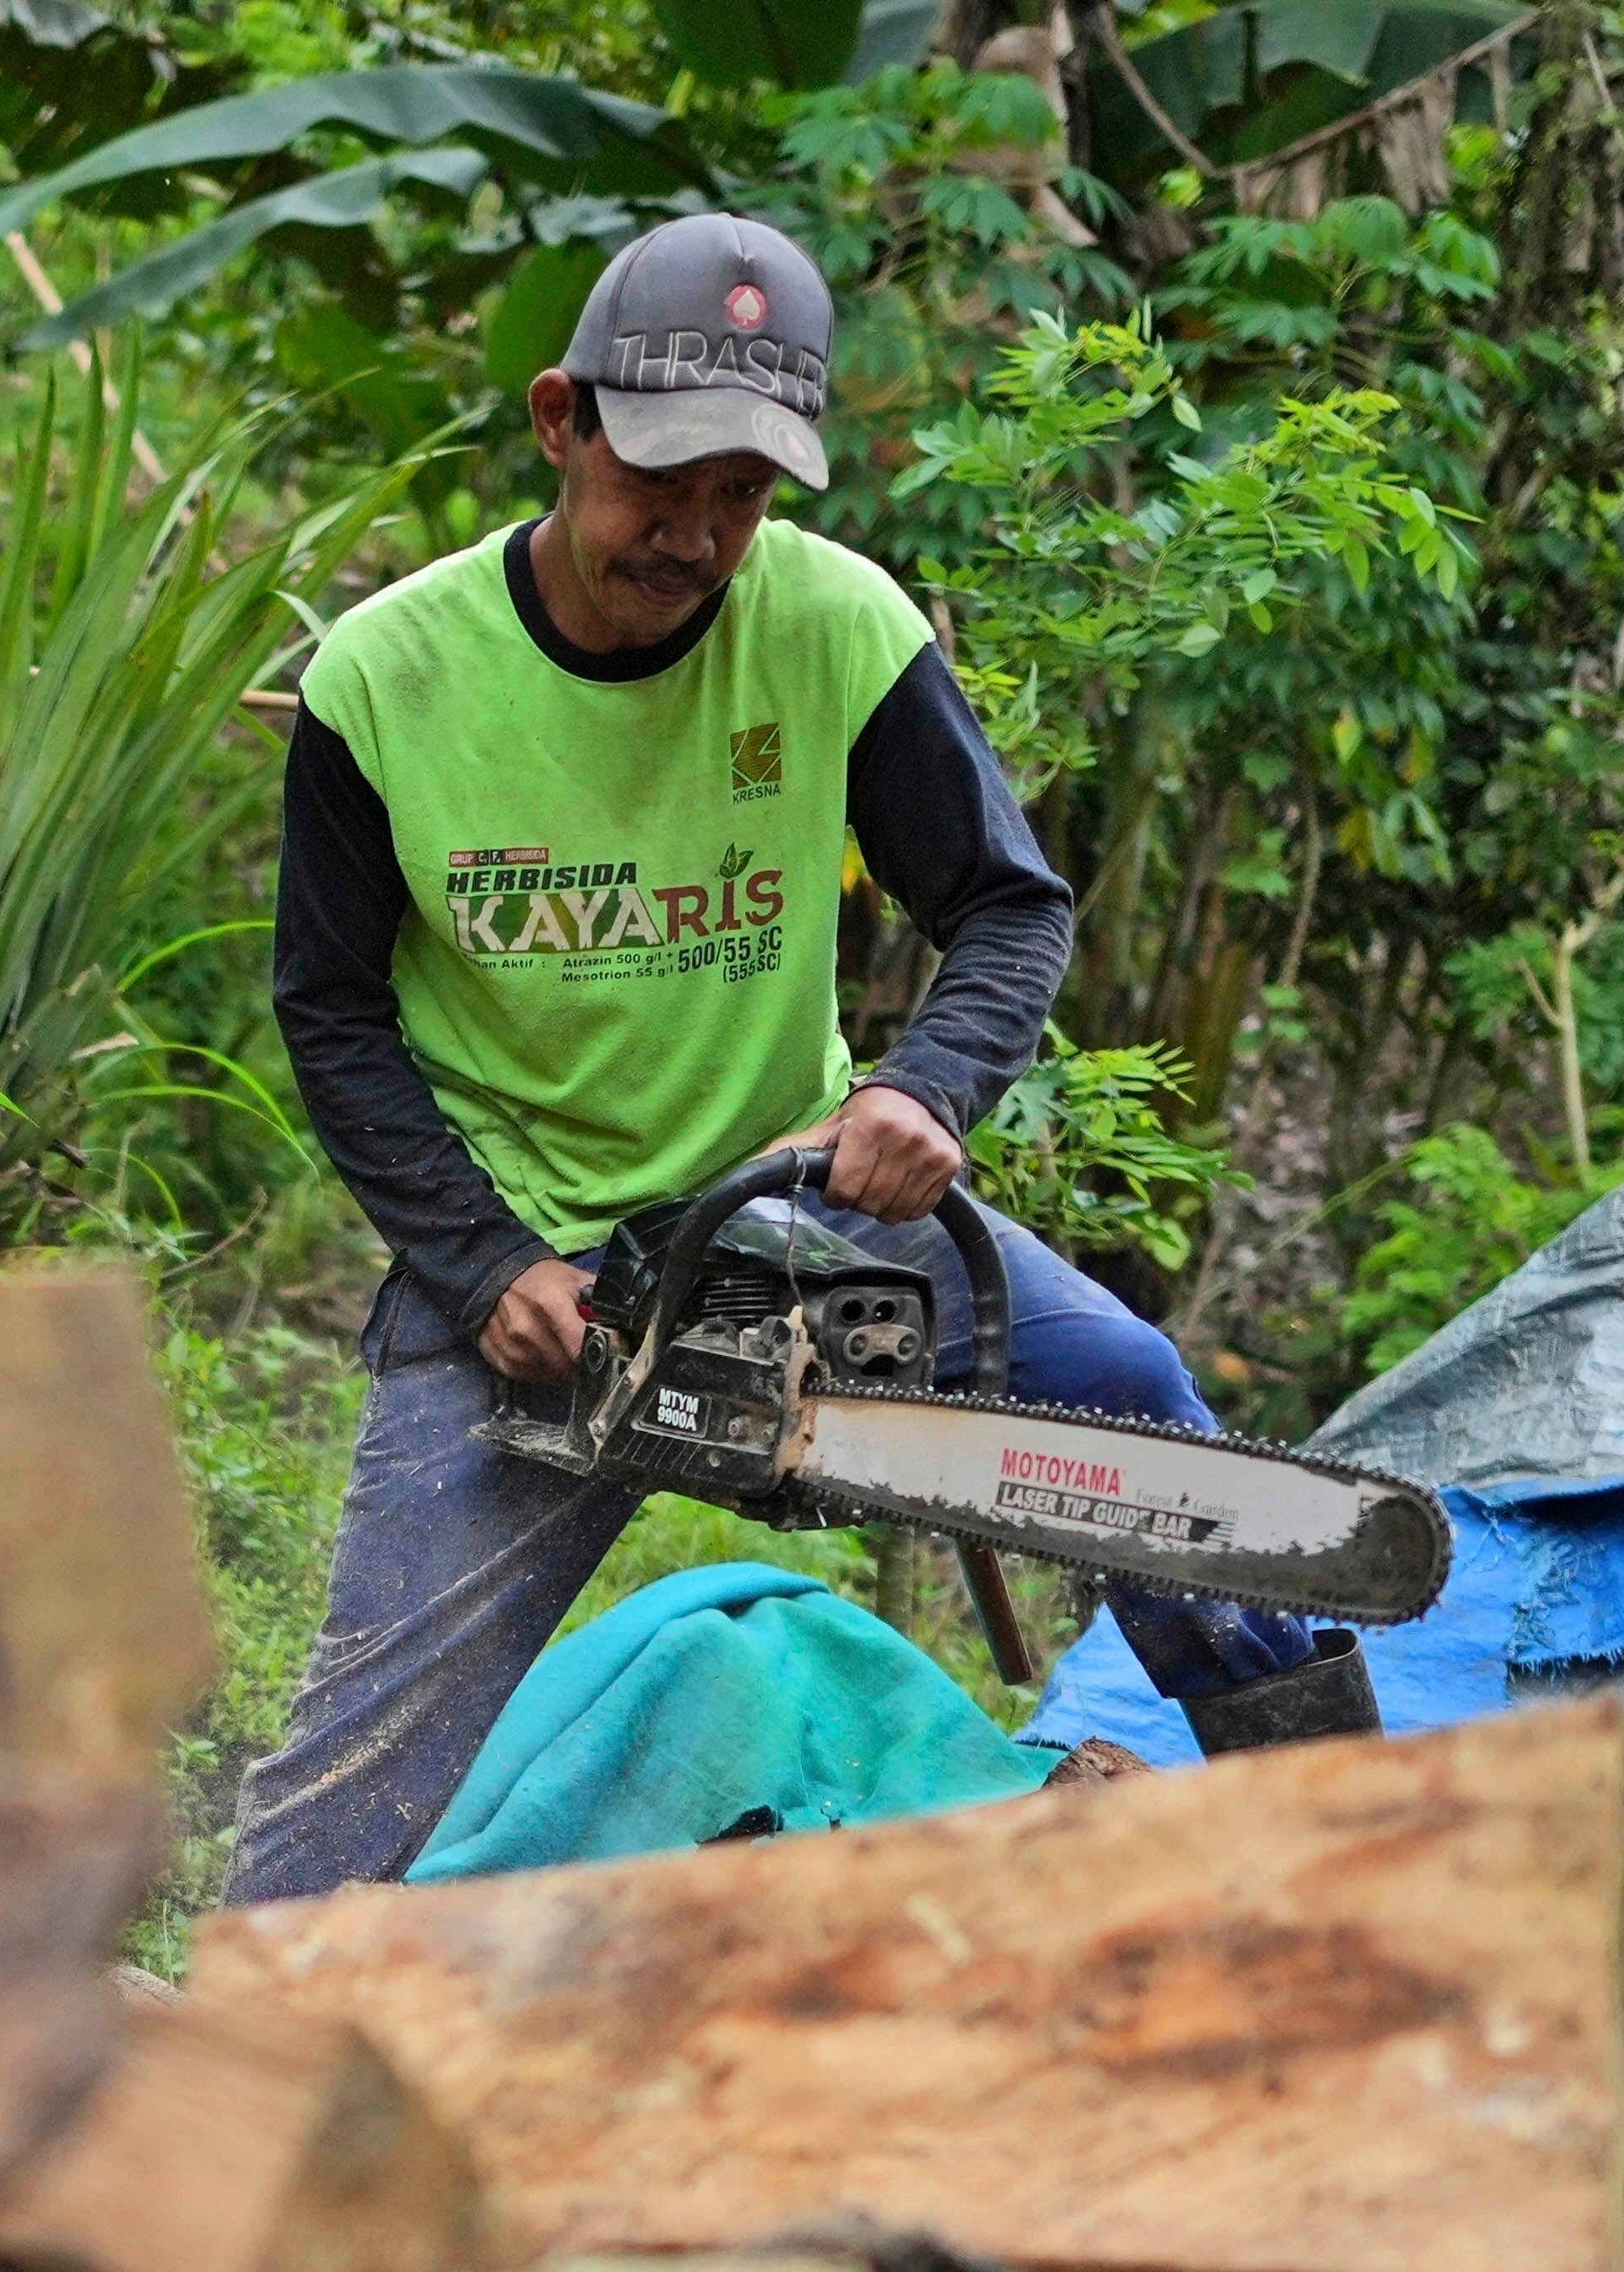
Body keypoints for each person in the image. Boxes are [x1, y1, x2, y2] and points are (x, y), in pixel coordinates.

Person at [228, 211, 1256, 1905]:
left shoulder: (841, 630)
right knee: (354, 1783)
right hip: (532, 1262)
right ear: (562, 422)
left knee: (1144, 1415)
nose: (694, 534)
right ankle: (216, 2075)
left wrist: (921, 1086)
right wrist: (484, 1261)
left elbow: (1007, 905)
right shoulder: (386, 679)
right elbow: (331, 1011)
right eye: (661, 481)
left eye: (742, 496)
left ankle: (1364, 1834)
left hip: (793, 1211)